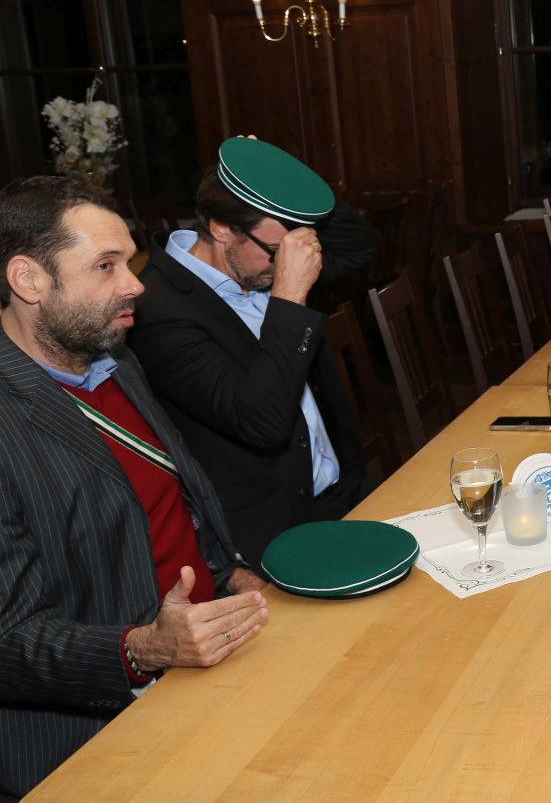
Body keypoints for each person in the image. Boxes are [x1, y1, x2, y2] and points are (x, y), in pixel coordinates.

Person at [0, 177, 269, 797]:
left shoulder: (115, 361)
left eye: (128, 260)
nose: (135, 284)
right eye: (106, 266)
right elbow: (9, 640)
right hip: (97, 729)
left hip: (209, 656)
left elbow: (173, 505)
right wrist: (144, 649)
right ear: (28, 280)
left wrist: (231, 576)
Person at [128, 137, 379, 571]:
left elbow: (361, 242)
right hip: (273, 533)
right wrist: (288, 296)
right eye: (277, 252)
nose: (285, 264)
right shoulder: (159, 310)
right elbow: (260, 422)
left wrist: (283, 180)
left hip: (340, 492)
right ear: (223, 228)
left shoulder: (255, 262)